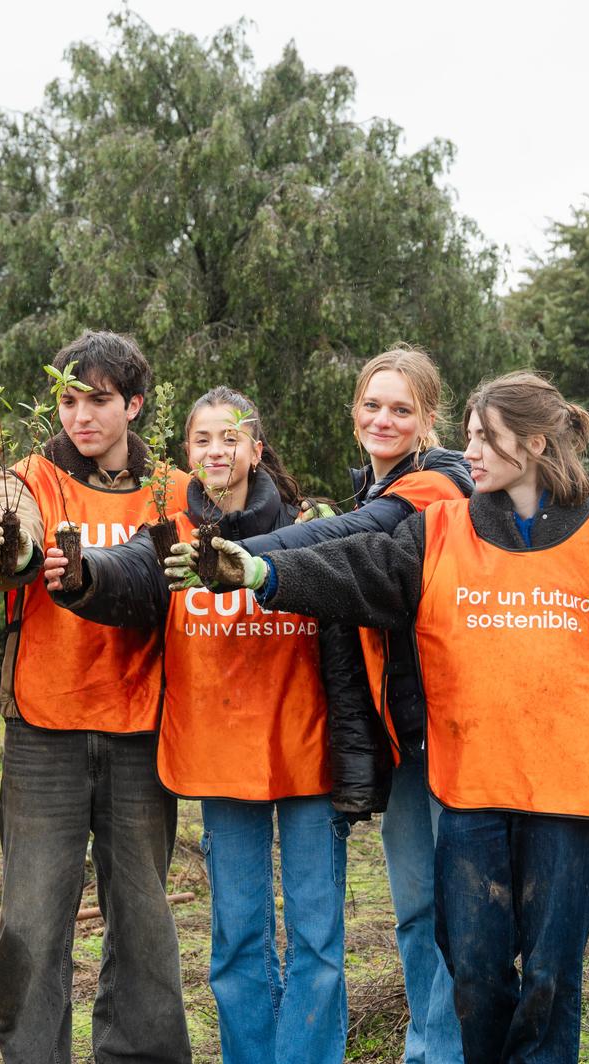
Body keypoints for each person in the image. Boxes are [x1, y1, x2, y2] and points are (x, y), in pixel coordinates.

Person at [175, 371, 589, 1062]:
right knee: (473, 970)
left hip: (570, 790)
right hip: (472, 784)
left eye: (485, 439)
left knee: (549, 975)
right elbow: (359, 568)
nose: (467, 452)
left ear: (534, 445)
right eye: (470, 435)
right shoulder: (440, 530)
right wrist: (264, 575)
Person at [175, 344, 472, 1061]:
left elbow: (347, 542)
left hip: (447, 725)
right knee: (415, 913)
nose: (384, 418)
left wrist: (250, 560)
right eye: (373, 404)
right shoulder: (366, 491)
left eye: (402, 408)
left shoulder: (438, 484)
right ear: (354, 414)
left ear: (429, 419)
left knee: (447, 916)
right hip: (398, 731)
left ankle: (438, 1053)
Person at [41, 387, 356, 1064]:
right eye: (203, 440)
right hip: (219, 760)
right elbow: (124, 572)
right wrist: (80, 576)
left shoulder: (308, 524)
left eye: (231, 438)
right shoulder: (171, 533)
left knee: (316, 937)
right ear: (188, 453)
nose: (217, 451)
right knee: (239, 937)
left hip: (306, 756)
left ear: (256, 449)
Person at [0, 330, 192, 1064]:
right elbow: (1, 563)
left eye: (99, 401)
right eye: (69, 400)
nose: (81, 417)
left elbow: (172, 591)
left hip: (140, 726)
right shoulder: (26, 478)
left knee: (142, 918)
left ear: (133, 404)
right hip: (44, 728)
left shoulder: (172, 489)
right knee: (32, 924)